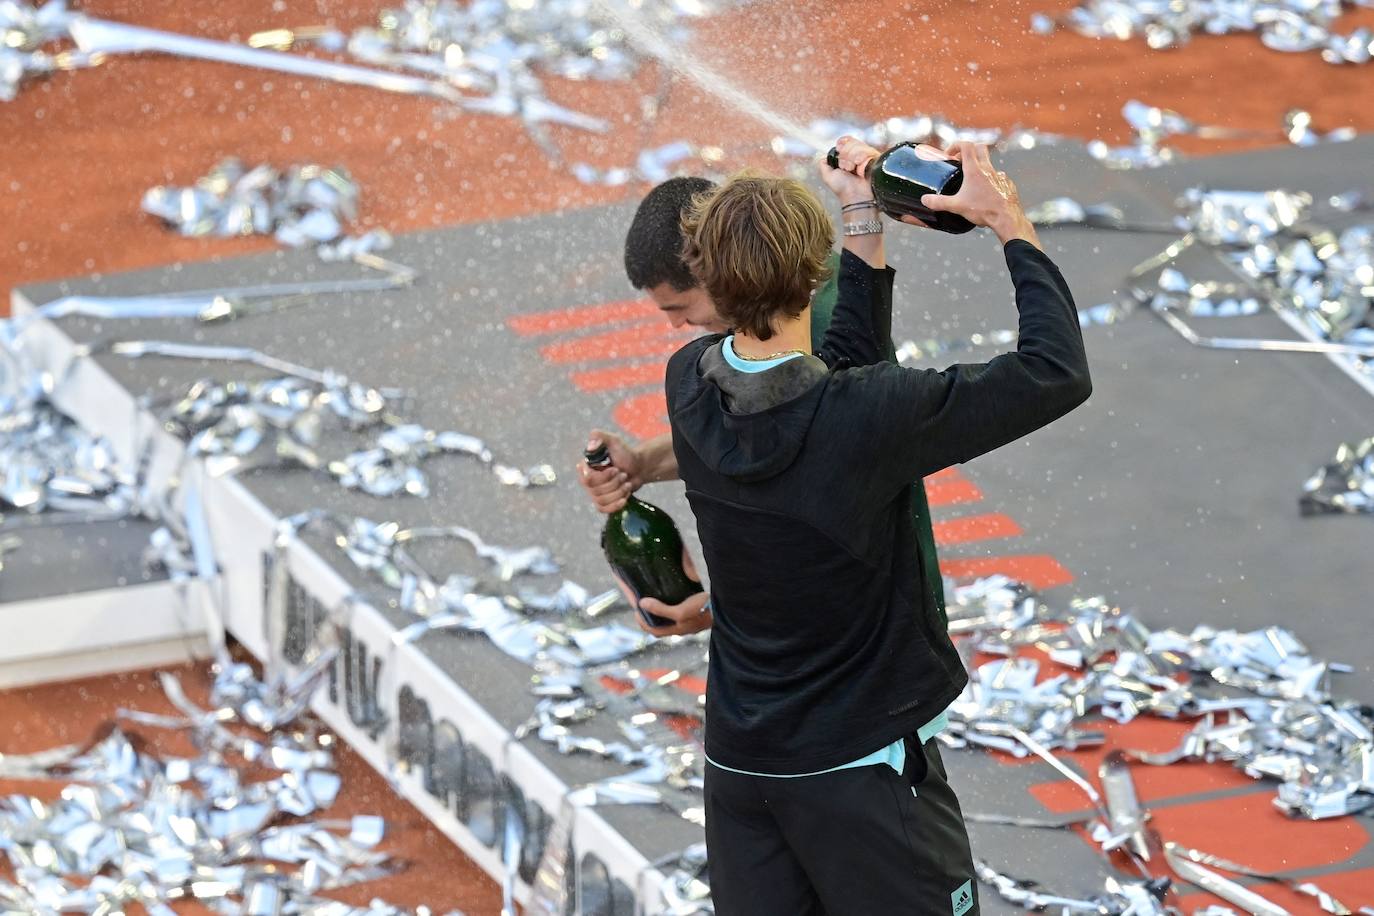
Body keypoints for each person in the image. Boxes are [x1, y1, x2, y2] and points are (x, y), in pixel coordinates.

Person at [660, 137, 1091, 915]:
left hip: (743, 771)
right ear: (812, 276)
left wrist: (863, 216)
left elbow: (833, 372)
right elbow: (1054, 372)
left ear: (709, 282)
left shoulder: (688, 383)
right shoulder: (869, 418)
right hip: (862, 776)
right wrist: (1009, 223)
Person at [579, 176, 950, 643]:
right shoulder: (790, 290)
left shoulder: (822, 342)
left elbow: (797, 511)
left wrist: (720, 609)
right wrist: (642, 464)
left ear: (710, 269)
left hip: (869, 647)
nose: (676, 324)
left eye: (679, 306)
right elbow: (753, 434)